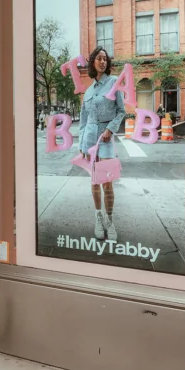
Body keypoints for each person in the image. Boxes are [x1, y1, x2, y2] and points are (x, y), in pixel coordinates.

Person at [78, 47, 126, 241]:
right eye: (99, 58)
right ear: (93, 62)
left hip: (105, 140)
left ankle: (110, 220)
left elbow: (121, 111)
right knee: (94, 181)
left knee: (107, 182)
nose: (102, 62)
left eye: (105, 59)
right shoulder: (88, 91)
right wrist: (82, 146)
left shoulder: (114, 83)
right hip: (90, 139)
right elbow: (83, 121)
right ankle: (98, 217)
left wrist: (110, 129)